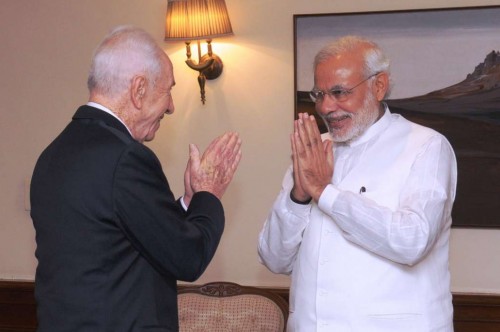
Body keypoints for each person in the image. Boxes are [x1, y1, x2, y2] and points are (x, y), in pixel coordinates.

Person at [30, 25, 242, 332]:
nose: (170, 106)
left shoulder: (53, 154)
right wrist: (208, 193)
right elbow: (188, 257)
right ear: (139, 89)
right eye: (168, 89)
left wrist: (187, 202)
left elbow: (128, 236)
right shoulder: (126, 157)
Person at [258, 35, 457, 331]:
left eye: (339, 92)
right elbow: (273, 259)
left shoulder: (427, 146)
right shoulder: (312, 151)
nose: (326, 107)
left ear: (379, 86)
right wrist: (299, 195)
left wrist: (326, 193)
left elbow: (412, 241)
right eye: (319, 95)